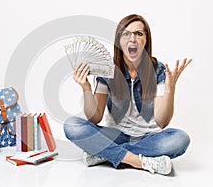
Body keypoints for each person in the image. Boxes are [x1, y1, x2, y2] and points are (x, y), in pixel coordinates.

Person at [63, 14, 192, 175]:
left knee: (180, 139)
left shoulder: (157, 70)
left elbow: (162, 122)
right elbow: (95, 118)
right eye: (126, 34)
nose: (132, 39)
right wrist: (86, 88)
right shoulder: (108, 70)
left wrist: (169, 89)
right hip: (115, 135)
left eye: (139, 33)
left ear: (146, 40)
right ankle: (139, 161)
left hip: (148, 137)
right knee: (72, 126)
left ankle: (105, 154)